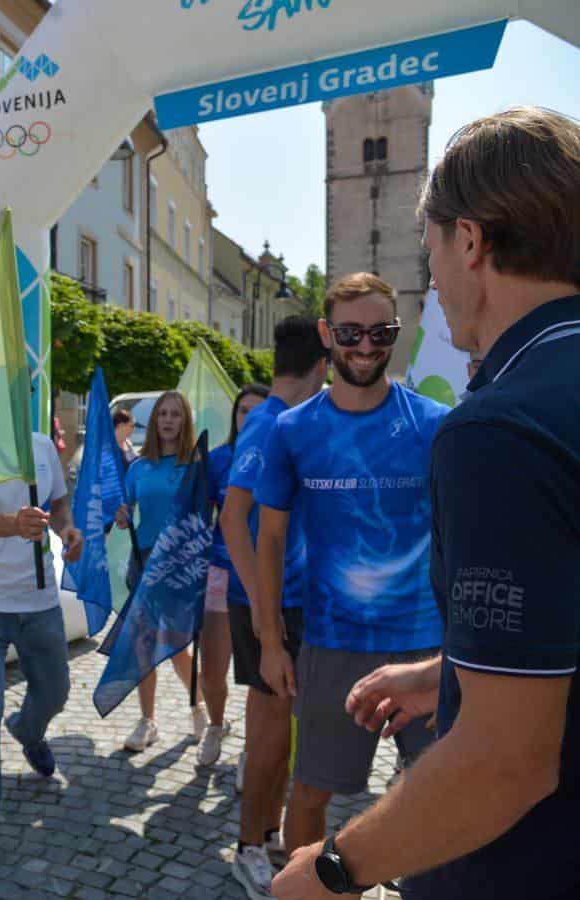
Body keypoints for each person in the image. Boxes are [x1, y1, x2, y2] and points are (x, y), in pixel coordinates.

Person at [274, 108, 580, 900]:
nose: (433, 278)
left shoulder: (498, 428)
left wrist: (335, 869)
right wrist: (450, 672)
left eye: (431, 246)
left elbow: (504, 760)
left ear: (469, 241)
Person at [252, 273, 449, 864]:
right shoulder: (292, 429)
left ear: (397, 333)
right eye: (350, 333)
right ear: (326, 334)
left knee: (443, 793)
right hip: (333, 644)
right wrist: (270, 642)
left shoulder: (435, 424)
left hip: (425, 645)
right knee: (311, 792)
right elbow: (269, 538)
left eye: (381, 332)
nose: (365, 346)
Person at [220, 317, 329, 899]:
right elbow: (232, 519)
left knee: (283, 735)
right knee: (268, 736)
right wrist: (264, 609)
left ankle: (267, 834)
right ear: (320, 367)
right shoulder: (268, 424)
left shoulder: (286, 419)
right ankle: (247, 849)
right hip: (268, 604)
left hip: (290, 600)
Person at [0, 430, 83, 875]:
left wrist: (66, 529)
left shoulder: (42, 445)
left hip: (39, 599)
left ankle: (28, 731)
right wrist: (14, 523)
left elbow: (59, 504)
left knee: (55, 692)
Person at [114, 390, 204, 751]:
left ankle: (199, 707)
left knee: (178, 644)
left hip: (182, 566)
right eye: (162, 414)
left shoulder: (196, 466)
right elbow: (125, 511)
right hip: (144, 562)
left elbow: (207, 516)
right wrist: (122, 516)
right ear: (154, 421)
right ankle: (147, 721)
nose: (168, 420)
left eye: (175, 414)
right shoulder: (139, 467)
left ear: (185, 422)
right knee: (143, 644)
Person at [198, 383, 270, 770]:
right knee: (212, 670)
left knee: (260, 674)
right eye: (244, 411)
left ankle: (251, 749)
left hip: (266, 577)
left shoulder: (281, 455)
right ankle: (215, 725)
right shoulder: (218, 459)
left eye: (259, 411)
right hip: (221, 574)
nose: (250, 418)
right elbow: (195, 515)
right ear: (234, 415)